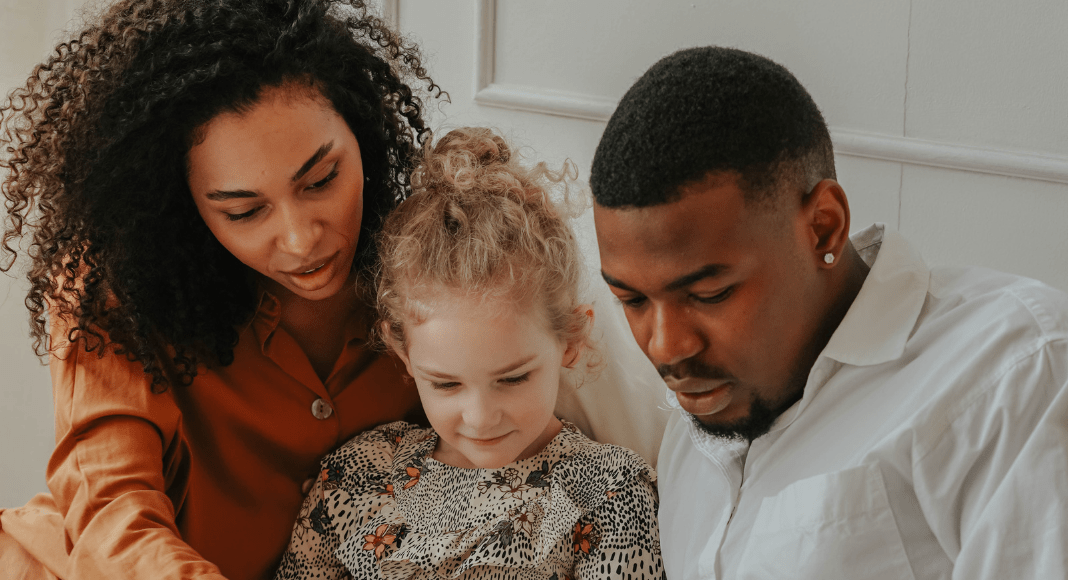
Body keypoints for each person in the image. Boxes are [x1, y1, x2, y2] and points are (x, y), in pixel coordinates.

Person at [589, 46, 1068, 580]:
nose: (666, 347)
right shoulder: (697, 423)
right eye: (631, 300)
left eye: (710, 295)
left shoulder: (1015, 369)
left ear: (823, 227)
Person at [0, 1, 443, 578]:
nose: (300, 239)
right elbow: (112, 514)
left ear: (363, 132)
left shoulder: (429, 265)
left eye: (322, 180)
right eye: (244, 211)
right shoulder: (116, 293)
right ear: (182, 203)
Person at [273, 128, 665, 580]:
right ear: (403, 352)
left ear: (572, 339)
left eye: (513, 378)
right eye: (445, 384)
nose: (480, 418)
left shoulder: (609, 493)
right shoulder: (358, 471)